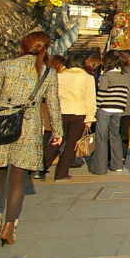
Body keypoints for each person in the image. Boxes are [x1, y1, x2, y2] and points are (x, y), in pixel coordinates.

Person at [0, 31, 62, 245]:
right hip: (29, 125)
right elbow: (53, 104)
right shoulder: (48, 73)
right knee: (18, 180)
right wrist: (58, 131)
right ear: (45, 48)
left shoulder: (7, 65)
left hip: (2, 122)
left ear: (22, 46)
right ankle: (9, 227)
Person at [41, 53, 96, 181]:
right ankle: (61, 173)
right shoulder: (88, 78)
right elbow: (90, 100)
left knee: (56, 141)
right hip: (79, 112)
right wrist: (90, 118)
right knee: (70, 145)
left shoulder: (59, 76)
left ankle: (40, 167)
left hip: (60, 112)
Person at [90, 50, 130, 175]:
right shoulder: (125, 76)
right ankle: (117, 164)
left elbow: (101, 94)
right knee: (115, 136)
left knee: (101, 137)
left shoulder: (107, 76)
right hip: (118, 109)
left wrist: (95, 108)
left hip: (105, 108)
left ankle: (100, 168)